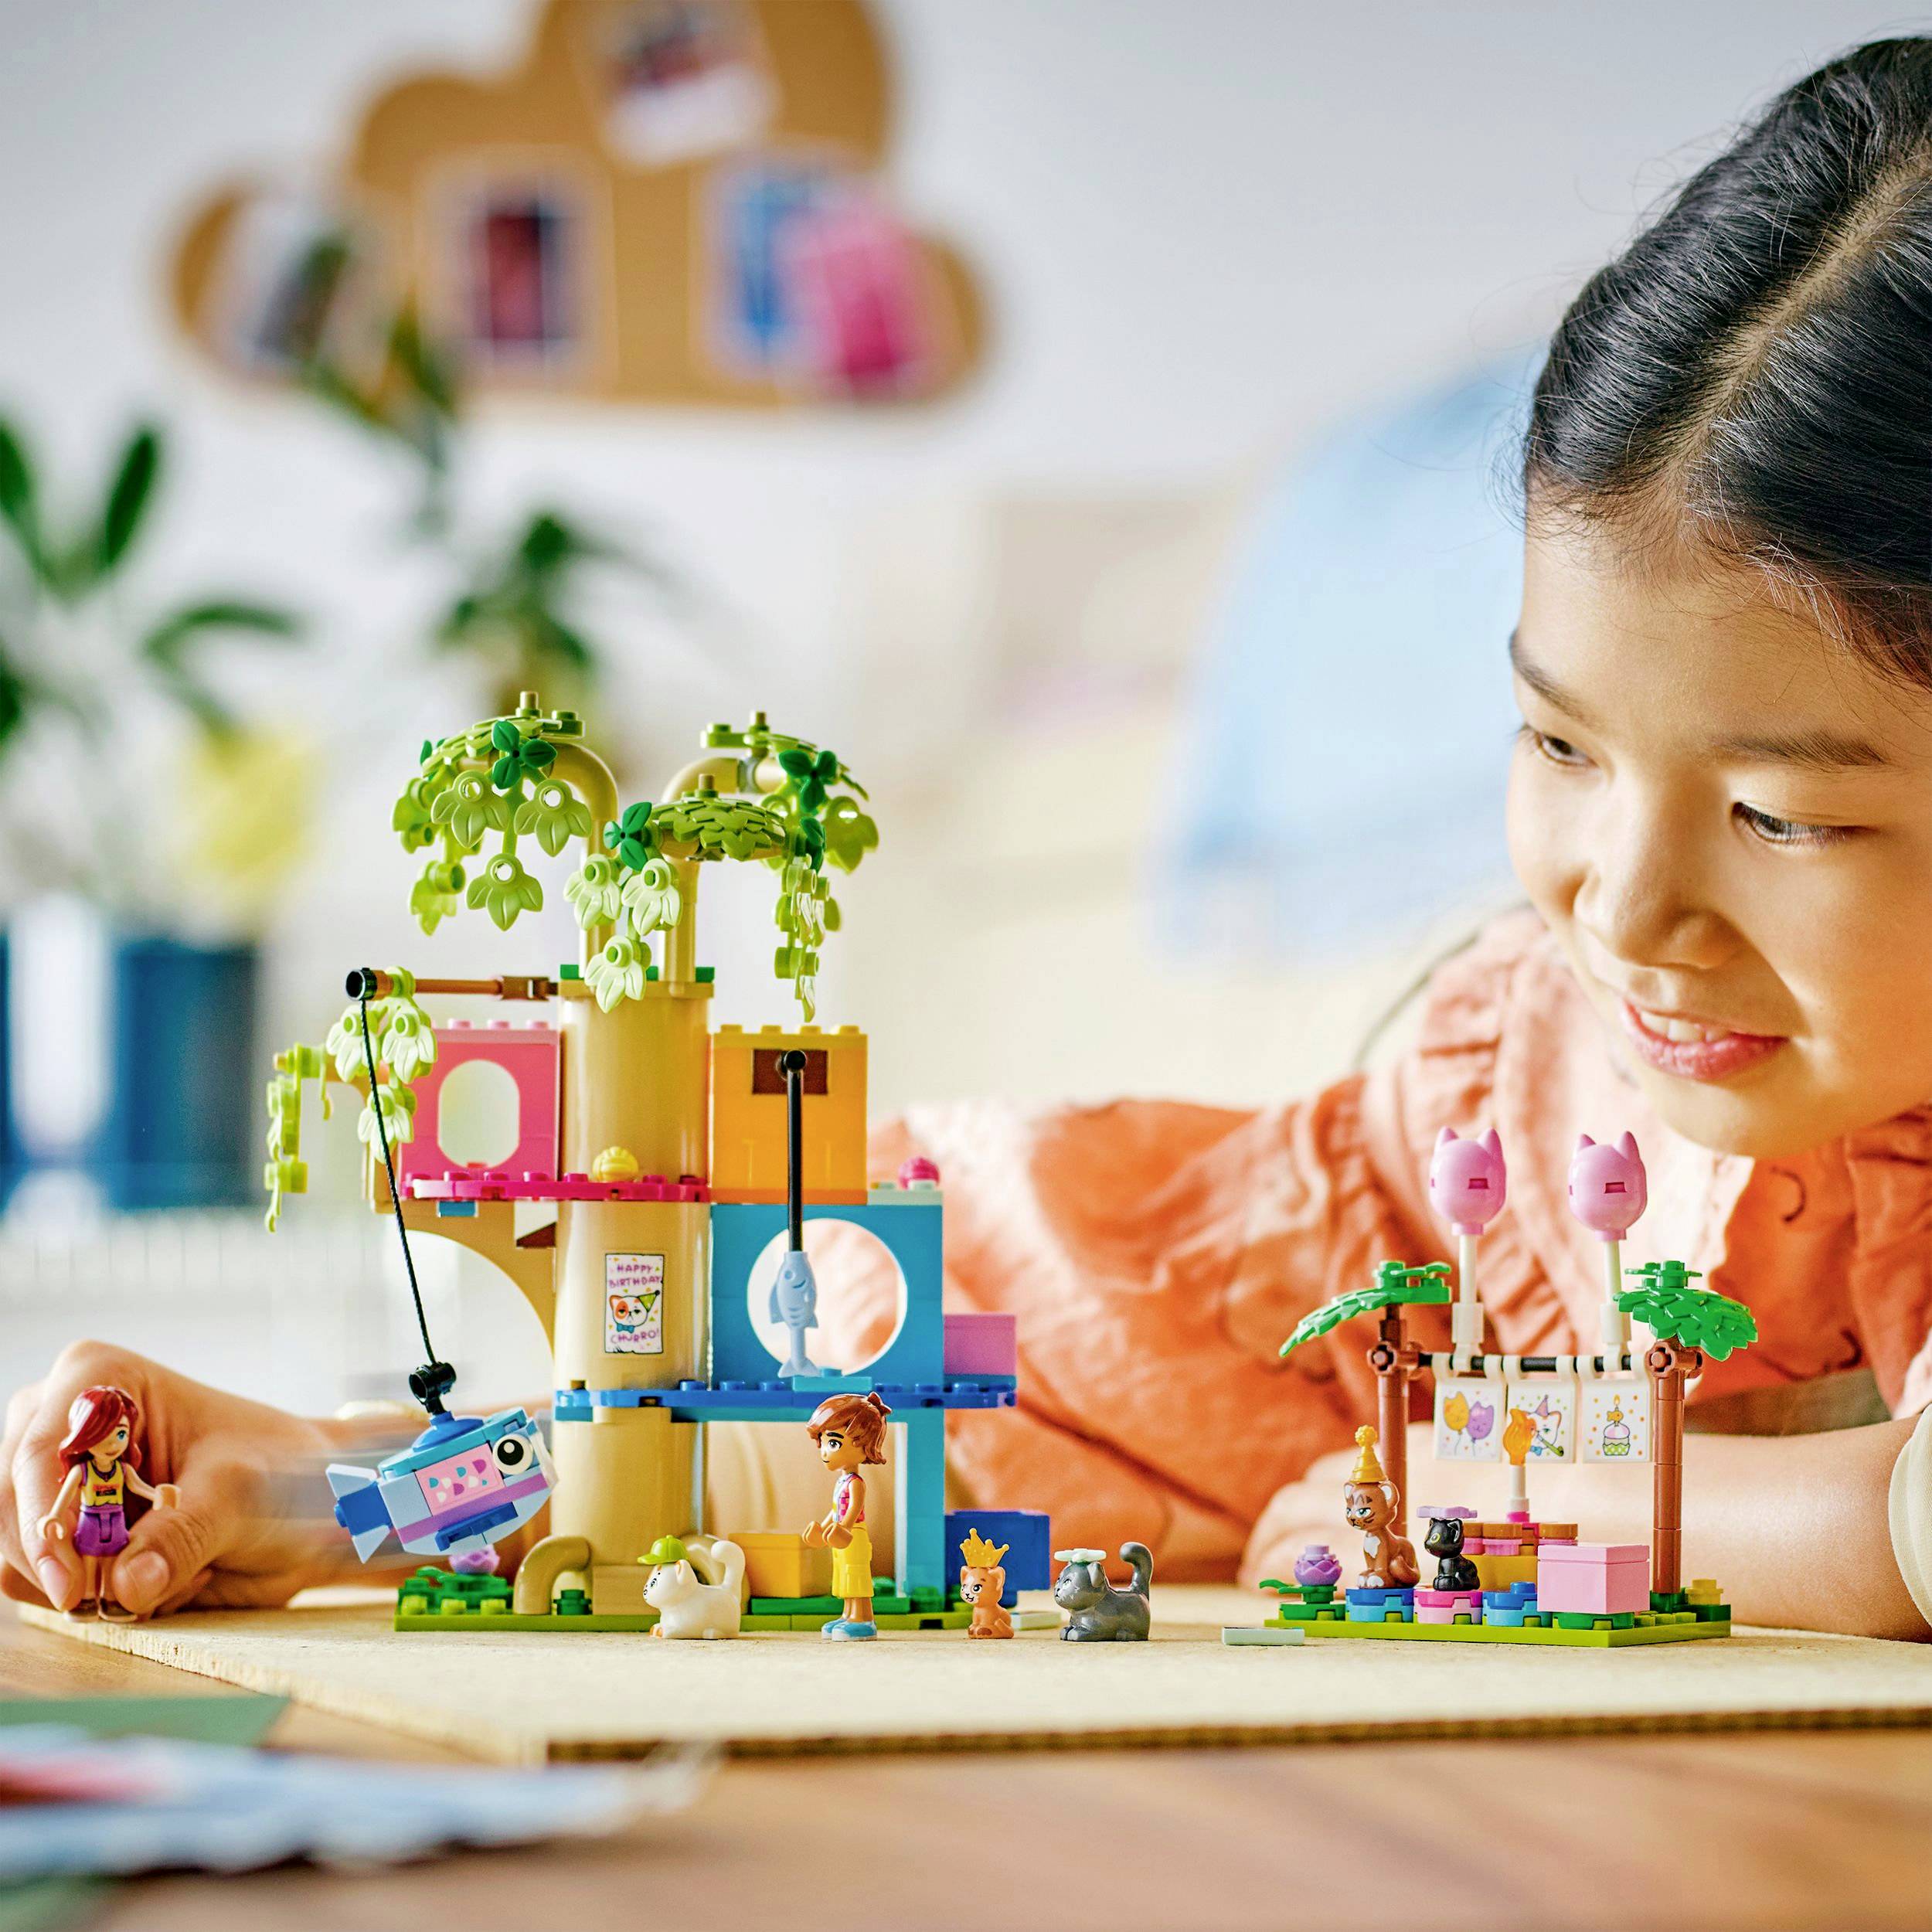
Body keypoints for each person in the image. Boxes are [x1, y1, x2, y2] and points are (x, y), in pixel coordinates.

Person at [5, 39, 1932, 1641]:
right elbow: (971, 1402)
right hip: (1373, 1270)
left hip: (1420, 1445)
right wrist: (351, 1484)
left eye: (1782, 814)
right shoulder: (1473, 1129)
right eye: (1554, 740)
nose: (1625, 902)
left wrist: (1465, 1492)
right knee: (896, 1331)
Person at [36, 1386, 179, 1621]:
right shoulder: (82, 1471)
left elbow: (138, 1487)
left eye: (121, 1434)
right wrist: (54, 1515)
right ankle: (88, 1598)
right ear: (84, 1436)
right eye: (101, 1435)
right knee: (90, 1561)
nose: (112, 1444)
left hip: (115, 1520)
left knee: (112, 1560)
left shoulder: (123, 1470)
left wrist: (157, 1496)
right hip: (90, 1519)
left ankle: (110, 1599)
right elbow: (66, 1496)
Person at [801, 1391, 891, 1640]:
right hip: (841, 1535)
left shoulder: (856, 1483)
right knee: (844, 1577)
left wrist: (846, 1528)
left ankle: (864, 1620)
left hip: (854, 1535)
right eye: (823, 1441)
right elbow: (835, 1510)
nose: (825, 1452)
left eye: (834, 1443)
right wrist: (823, 1528)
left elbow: (853, 1510)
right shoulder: (842, 1480)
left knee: (857, 1576)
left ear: (863, 1444)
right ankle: (848, 1616)